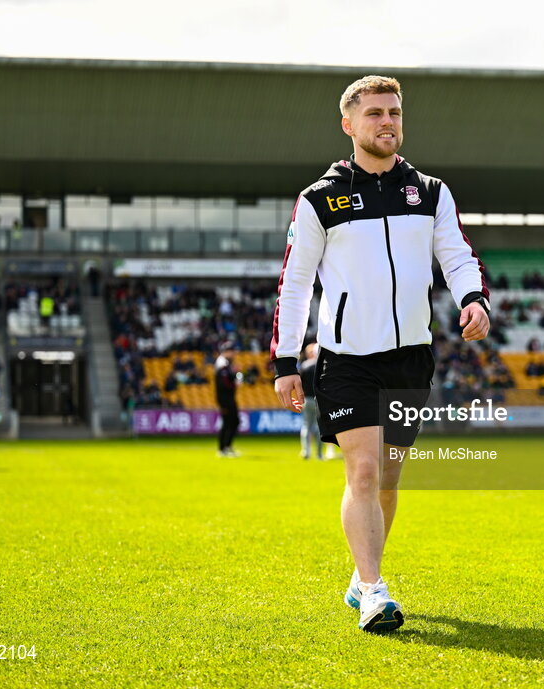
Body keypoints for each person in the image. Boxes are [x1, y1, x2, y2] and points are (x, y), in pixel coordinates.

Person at [270, 75, 490, 633]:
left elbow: (457, 254)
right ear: (349, 125)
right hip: (345, 358)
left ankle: (360, 576)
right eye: (374, 113)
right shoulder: (319, 199)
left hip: (411, 356)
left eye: (394, 112)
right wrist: (285, 362)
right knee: (363, 472)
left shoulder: (431, 191)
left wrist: (473, 298)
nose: (387, 121)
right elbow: (294, 284)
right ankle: (373, 591)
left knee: (388, 480)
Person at [298, 343, 325, 460]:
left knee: (306, 426)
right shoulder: (323, 366)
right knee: (318, 428)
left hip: (307, 399)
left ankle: (306, 451)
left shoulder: (305, 366)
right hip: (319, 400)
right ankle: (319, 454)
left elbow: (299, 382)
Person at [214, 341, 240, 457]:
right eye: (232, 351)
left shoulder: (226, 364)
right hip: (225, 399)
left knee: (233, 422)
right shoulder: (222, 365)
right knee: (227, 423)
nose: (234, 354)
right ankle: (222, 448)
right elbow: (224, 384)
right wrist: (235, 382)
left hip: (228, 398)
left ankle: (227, 446)